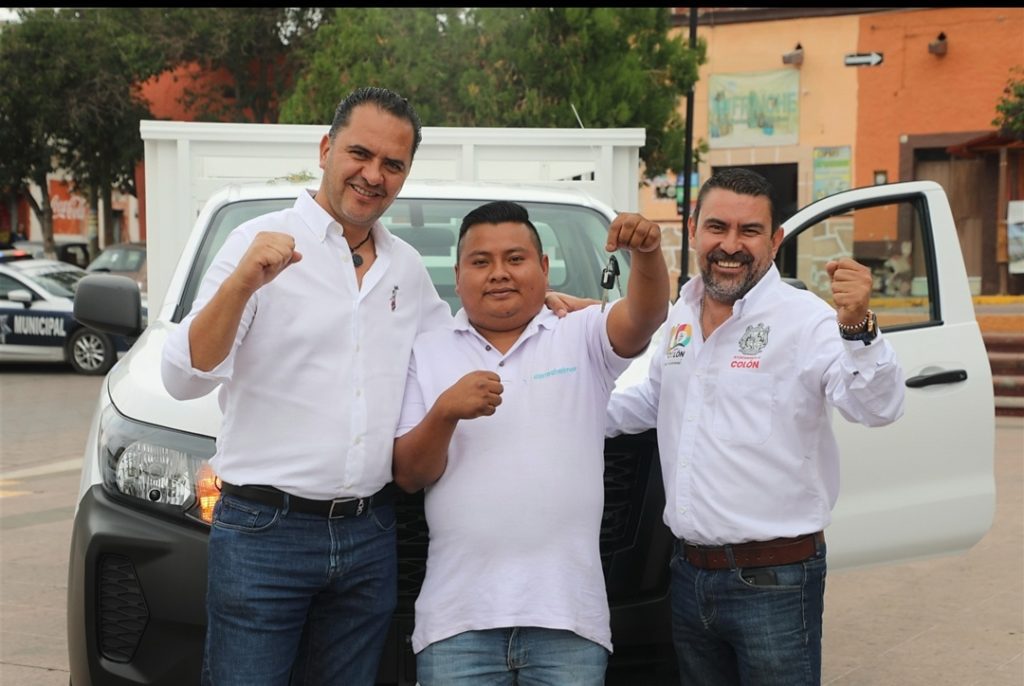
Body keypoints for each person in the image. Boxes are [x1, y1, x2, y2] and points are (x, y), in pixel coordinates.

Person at [606, 168, 906, 685]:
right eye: (717, 227)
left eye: (749, 231)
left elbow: (877, 407)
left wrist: (859, 326)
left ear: (775, 240)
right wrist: (557, 402)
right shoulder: (681, 314)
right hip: (687, 577)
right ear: (693, 229)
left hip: (774, 583)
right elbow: (650, 400)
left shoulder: (806, 320)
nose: (730, 245)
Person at [391, 200, 669, 685]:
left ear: (543, 266)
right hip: (457, 623)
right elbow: (410, 475)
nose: (499, 273)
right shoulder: (427, 351)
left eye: (515, 259)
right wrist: (445, 412)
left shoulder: (582, 333)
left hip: (568, 620)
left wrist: (646, 254)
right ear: (457, 276)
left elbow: (644, 316)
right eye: (481, 261)